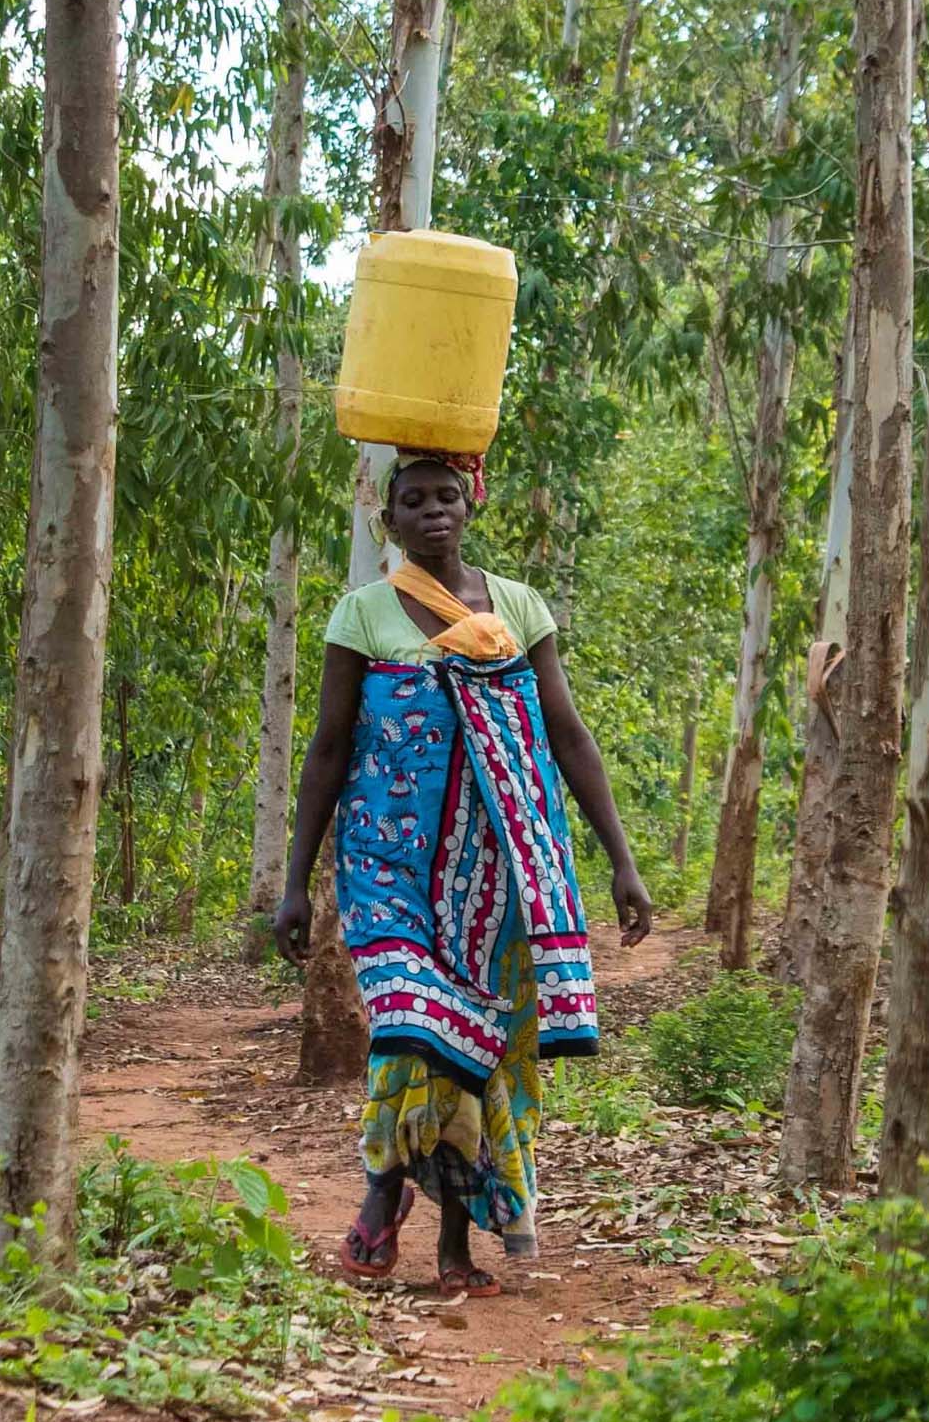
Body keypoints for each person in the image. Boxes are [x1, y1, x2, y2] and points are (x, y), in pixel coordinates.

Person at [274, 445, 652, 1292]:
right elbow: (331, 749)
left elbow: (567, 736)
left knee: (473, 1049)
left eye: (448, 495)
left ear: (471, 504)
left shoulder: (519, 608)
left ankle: (453, 1243)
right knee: (412, 1026)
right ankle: (381, 1186)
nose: (433, 511)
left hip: (499, 872)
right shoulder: (362, 615)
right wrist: (297, 881)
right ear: (391, 518)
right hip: (386, 867)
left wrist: (621, 862)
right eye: (414, 500)